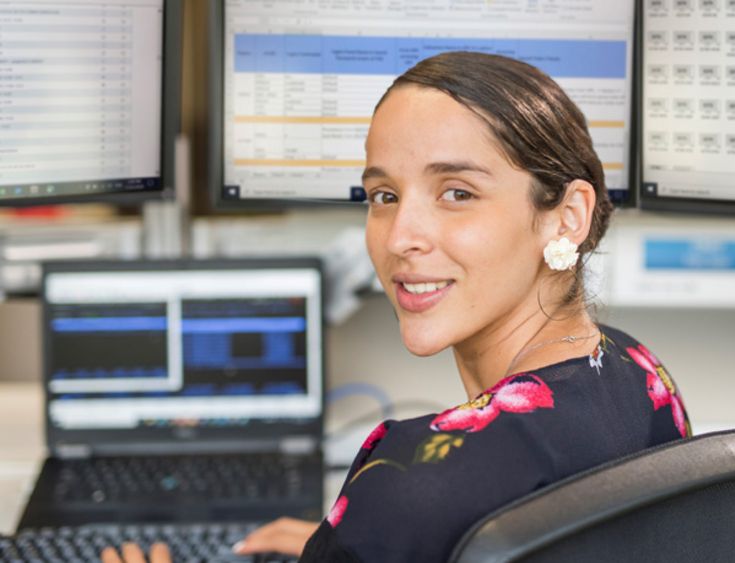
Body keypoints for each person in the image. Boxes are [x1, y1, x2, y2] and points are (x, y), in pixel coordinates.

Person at [102, 51, 691, 563]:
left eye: (456, 193)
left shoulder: (408, 483)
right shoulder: (638, 371)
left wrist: (374, 534)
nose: (399, 236)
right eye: (383, 196)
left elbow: (433, 504)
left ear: (566, 217)